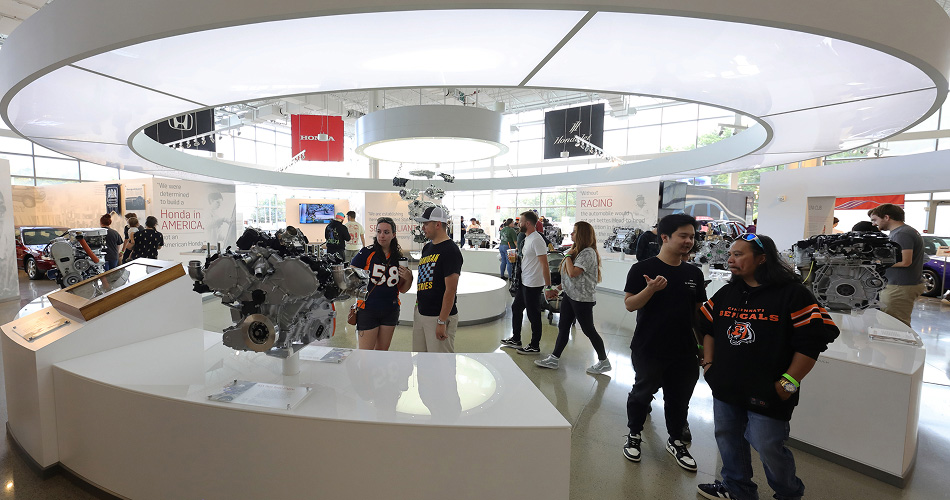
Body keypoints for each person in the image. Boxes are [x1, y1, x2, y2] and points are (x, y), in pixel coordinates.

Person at [696, 233, 839, 500]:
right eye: (730, 254)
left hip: (769, 390)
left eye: (738, 254)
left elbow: (813, 342)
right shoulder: (728, 292)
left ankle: (788, 493)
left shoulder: (793, 295)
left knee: (767, 445)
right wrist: (709, 364)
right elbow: (707, 328)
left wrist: (788, 384)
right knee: (727, 438)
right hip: (725, 385)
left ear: (762, 259)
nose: (730, 259)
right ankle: (737, 488)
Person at [622, 213, 705, 471]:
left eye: (692, 236)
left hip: (684, 350)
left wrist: (703, 348)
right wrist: (650, 290)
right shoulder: (641, 269)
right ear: (665, 237)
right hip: (649, 347)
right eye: (683, 236)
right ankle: (634, 435)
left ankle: (676, 441)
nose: (689, 241)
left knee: (679, 398)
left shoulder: (694, 273)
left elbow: (697, 315)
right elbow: (629, 305)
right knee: (641, 393)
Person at [534, 221, 611, 374]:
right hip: (570, 295)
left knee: (589, 330)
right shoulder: (577, 250)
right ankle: (554, 358)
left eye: (574, 232)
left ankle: (604, 361)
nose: (571, 234)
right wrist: (559, 288)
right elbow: (570, 278)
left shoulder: (588, 252)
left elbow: (573, 272)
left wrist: (567, 256)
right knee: (563, 327)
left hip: (582, 299)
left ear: (582, 234)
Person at [350, 217, 413, 351]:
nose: (381, 236)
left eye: (386, 232)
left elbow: (403, 289)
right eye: (379, 232)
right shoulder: (366, 253)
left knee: (382, 354)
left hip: (390, 309)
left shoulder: (398, 258)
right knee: (366, 355)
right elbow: (350, 275)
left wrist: (409, 278)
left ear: (393, 235)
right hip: (368, 309)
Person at [500, 210, 554, 354]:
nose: (518, 224)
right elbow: (528, 259)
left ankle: (534, 345)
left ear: (528, 223)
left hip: (533, 284)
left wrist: (548, 287)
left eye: (521, 222)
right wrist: (516, 258)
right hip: (525, 281)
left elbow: (545, 264)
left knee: (533, 315)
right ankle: (516, 338)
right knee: (516, 308)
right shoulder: (527, 238)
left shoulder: (537, 239)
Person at [412, 206, 463, 353]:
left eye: (426, 224)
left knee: (440, 365)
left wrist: (442, 321)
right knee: (421, 360)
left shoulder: (450, 251)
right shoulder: (427, 248)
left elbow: (451, 289)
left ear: (438, 224)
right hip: (422, 313)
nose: (423, 228)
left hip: (438, 316)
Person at [868, 203, 925, 327]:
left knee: (895, 324)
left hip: (900, 286)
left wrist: (877, 263)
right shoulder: (904, 231)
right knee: (891, 321)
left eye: (875, 220)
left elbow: (906, 261)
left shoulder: (901, 233)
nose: (873, 224)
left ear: (886, 217)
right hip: (900, 284)